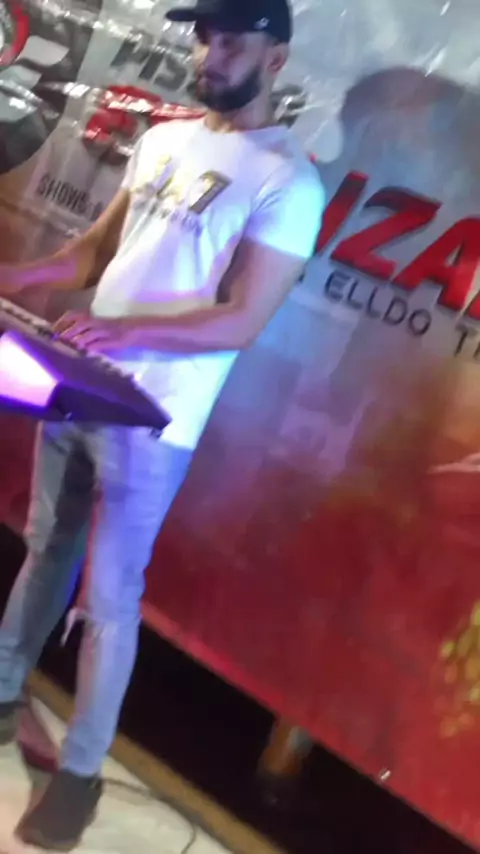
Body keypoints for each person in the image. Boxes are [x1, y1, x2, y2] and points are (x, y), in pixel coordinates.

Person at [0, 0, 324, 847]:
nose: (211, 55)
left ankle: (79, 776)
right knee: (46, 547)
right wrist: (22, 275)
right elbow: (93, 254)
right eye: (205, 38)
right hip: (77, 386)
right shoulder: (164, 139)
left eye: (232, 41)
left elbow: (243, 320)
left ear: (276, 59)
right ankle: (1, 694)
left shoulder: (289, 181)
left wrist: (127, 332)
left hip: (155, 419)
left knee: (109, 599)